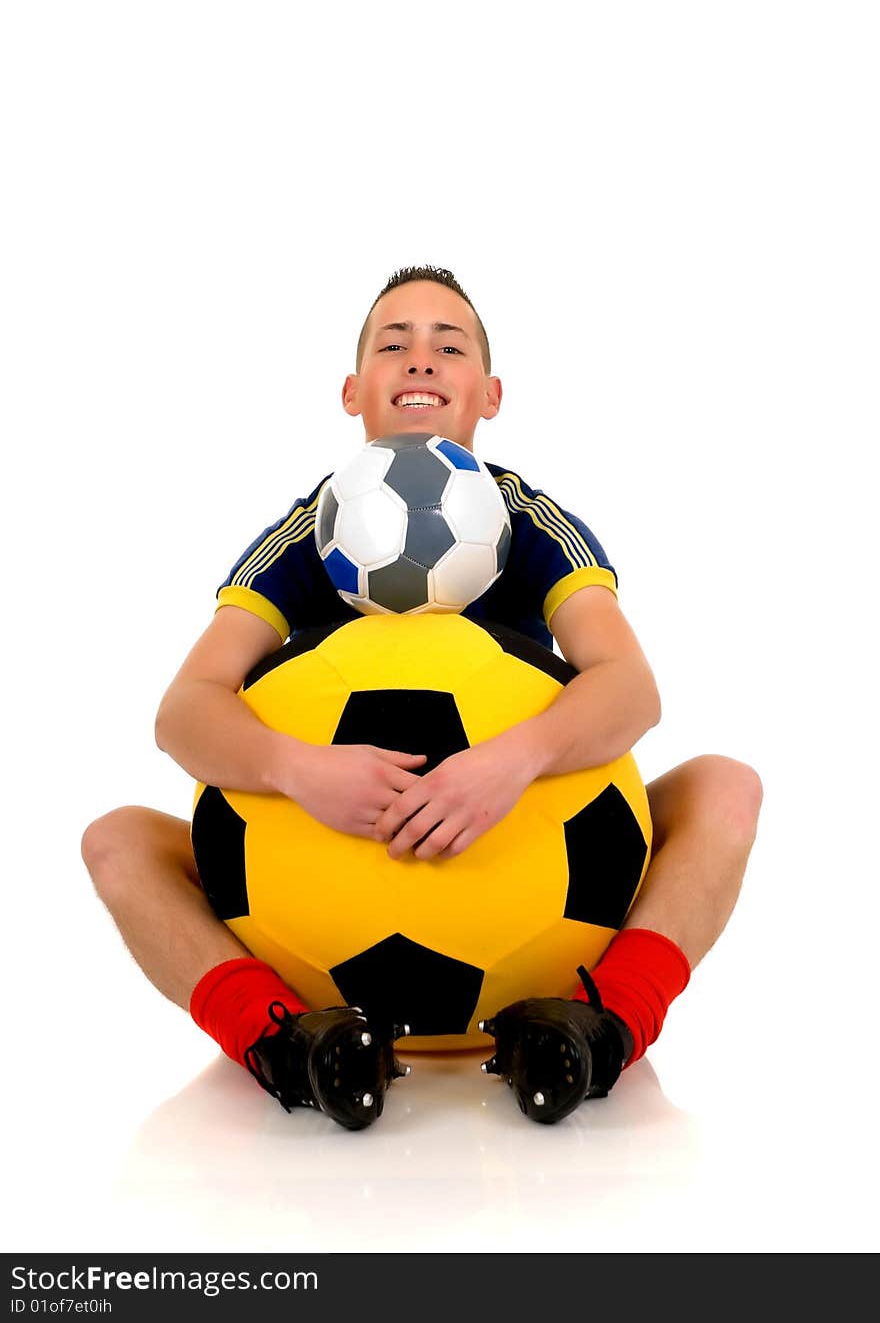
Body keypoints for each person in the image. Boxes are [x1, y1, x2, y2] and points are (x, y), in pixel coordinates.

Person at [81, 264, 763, 1131]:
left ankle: (598, 1027)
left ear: (490, 393)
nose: (421, 362)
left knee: (727, 786)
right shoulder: (309, 530)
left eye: (450, 347)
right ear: (353, 388)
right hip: (321, 907)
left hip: (523, 889)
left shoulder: (527, 521)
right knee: (115, 842)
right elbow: (184, 709)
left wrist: (511, 760)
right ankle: (292, 1042)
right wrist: (296, 768)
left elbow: (632, 686)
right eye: (393, 345)